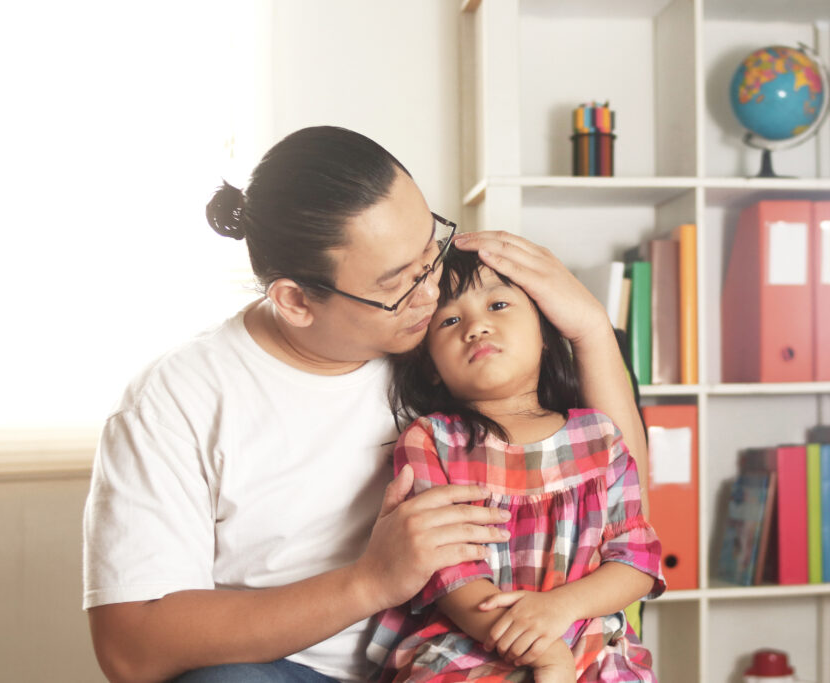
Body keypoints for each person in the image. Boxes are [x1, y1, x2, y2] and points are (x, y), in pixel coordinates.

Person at [83, 126, 648, 683]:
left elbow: (620, 499)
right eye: (400, 283)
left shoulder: (445, 341)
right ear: (297, 300)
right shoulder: (175, 402)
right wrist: (371, 581)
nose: (433, 293)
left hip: (485, 651)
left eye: (432, 249)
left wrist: (592, 331)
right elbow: (133, 648)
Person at [366, 249, 665, 683]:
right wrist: (539, 650)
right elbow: (445, 568)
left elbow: (636, 559)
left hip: (589, 637)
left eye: (498, 305)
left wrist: (559, 609)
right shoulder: (432, 440)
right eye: (449, 321)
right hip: (472, 640)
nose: (476, 327)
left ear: (545, 333)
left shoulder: (601, 437)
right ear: (431, 367)